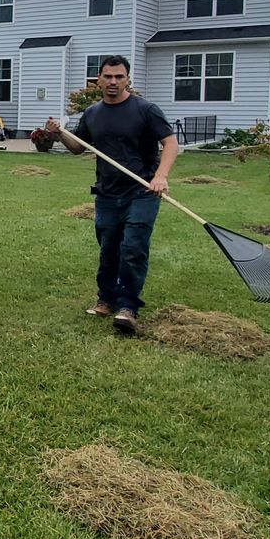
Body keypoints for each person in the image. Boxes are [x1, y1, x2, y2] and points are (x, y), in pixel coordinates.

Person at [44, 55, 179, 335]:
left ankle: (128, 306)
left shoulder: (146, 110)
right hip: (107, 193)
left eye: (119, 77)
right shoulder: (93, 113)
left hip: (142, 191)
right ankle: (106, 299)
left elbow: (170, 142)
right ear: (99, 80)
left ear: (128, 79)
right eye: (108, 76)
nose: (113, 82)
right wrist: (60, 134)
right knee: (108, 248)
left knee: (132, 248)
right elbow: (78, 147)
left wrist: (160, 176)